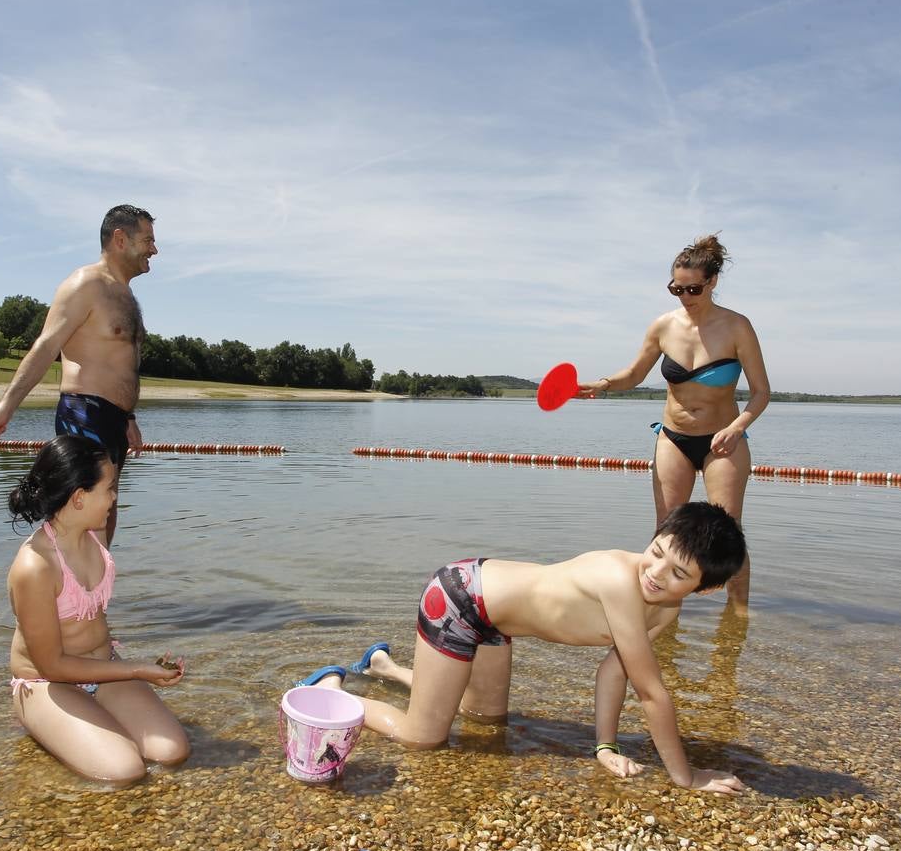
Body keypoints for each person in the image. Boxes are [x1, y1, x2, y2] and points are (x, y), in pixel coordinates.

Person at [303, 502, 748, 795]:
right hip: (461, 598)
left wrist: (606, 747)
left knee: (484, 719)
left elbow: (615, 674)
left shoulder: (665, 611)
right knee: (423, 737)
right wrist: (685, 777)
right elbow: (652, 693)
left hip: (494, 619)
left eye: (678, 574)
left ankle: (384, 666)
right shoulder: (618, 579)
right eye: (656, 553)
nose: (656, 573)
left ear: (705, 590)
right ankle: (333, 690)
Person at [577, 234, 770, 606]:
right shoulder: (663, 326)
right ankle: (662, 614)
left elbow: (761, 392)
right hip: (673, 438)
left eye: (693, 288)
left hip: (723, 441)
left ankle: (738, 614)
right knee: (664, 534)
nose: (685, 297)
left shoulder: (737, 327)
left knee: (729, 533)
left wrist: (736, 427)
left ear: (712, 282)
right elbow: (634, 375)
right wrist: (601, 384)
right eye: (676, 289)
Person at [6, 435, 189, 783]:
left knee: (172, 752)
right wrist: (138, 670)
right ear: (79, 498)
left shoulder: (96, 533)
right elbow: (52, 665)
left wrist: (136, 669)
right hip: (49, 682)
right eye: (108, 488)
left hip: (103, 668)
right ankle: (36, 718)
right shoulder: (35, 567)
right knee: (124, 771)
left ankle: (87, 721)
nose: (114, 497)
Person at [0, 204, 158, 544]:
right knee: (81, 515)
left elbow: (120, 361)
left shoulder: (125, 294)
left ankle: (92, 595)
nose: (154, 249)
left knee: (106, 509)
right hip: (85, 414)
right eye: (147, 240)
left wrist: (128, 416)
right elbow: (46, 346)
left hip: (114, 418)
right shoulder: (85, 284)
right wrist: (7, 406)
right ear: (120, 238)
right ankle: (47, 585)